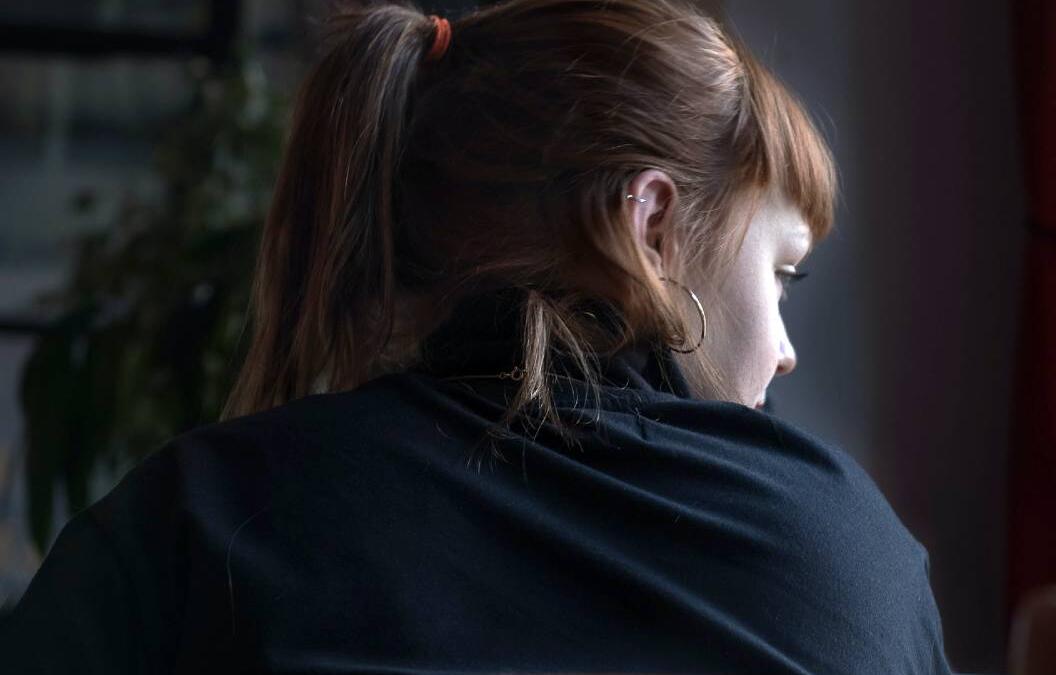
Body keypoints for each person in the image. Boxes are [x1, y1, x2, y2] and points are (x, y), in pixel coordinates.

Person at [0, 0, 956, 672]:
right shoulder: (847, 552)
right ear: (653, 225)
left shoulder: (190, 517)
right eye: (781, 272)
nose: (787, 348)